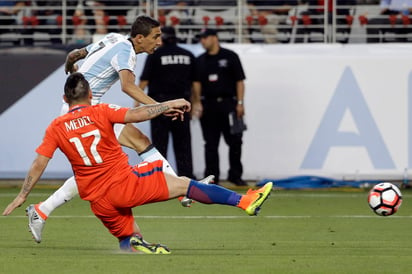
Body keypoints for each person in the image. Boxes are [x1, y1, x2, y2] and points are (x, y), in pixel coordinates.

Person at [2, 73, 273, 254]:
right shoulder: (101, 111)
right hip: (124, 183)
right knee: (184, 185)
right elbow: (136, 114)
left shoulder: (55, 127)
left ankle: (135, 247)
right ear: (90, 95)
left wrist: (23, 195)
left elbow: (39, 163)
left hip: (97, 201)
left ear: (65, 100)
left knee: (128, 238)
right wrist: (168, 104)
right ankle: (245, 202)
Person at [25, 15, 209, 245]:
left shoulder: (112, 38)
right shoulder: (126, 52)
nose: (159, 41)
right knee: (92, 171)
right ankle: (42, 209)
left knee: (139, 141)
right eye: (155, 37)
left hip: (83, 109)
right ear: (139, 38)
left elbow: (74, 55)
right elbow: (127, 86)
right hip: (82, 113)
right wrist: (160, 107)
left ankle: (180, 187)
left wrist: (71, 69)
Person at [138, 26, 196, 178]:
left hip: (160, 105)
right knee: (183, 144)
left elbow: (145, 80)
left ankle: (161, 176)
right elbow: (195, 83)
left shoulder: (155, 55)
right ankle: (187, 178)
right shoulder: (188, 55)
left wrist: (136, 101)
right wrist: (196, 104)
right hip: (182, 105)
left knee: (159, 144)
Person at [192, 29, 247, 186]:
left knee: (235, 141)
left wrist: (240, 103)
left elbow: (240, 81)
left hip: (229, 104)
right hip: (208, 105)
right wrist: (197, 102)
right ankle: (211, 176)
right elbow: (196, 83)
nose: (202, 41)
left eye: (205, 38)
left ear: (214, 38)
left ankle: (235, 175)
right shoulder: (200, 60)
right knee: (210, 143)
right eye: (201, 38)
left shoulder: (230, 56)